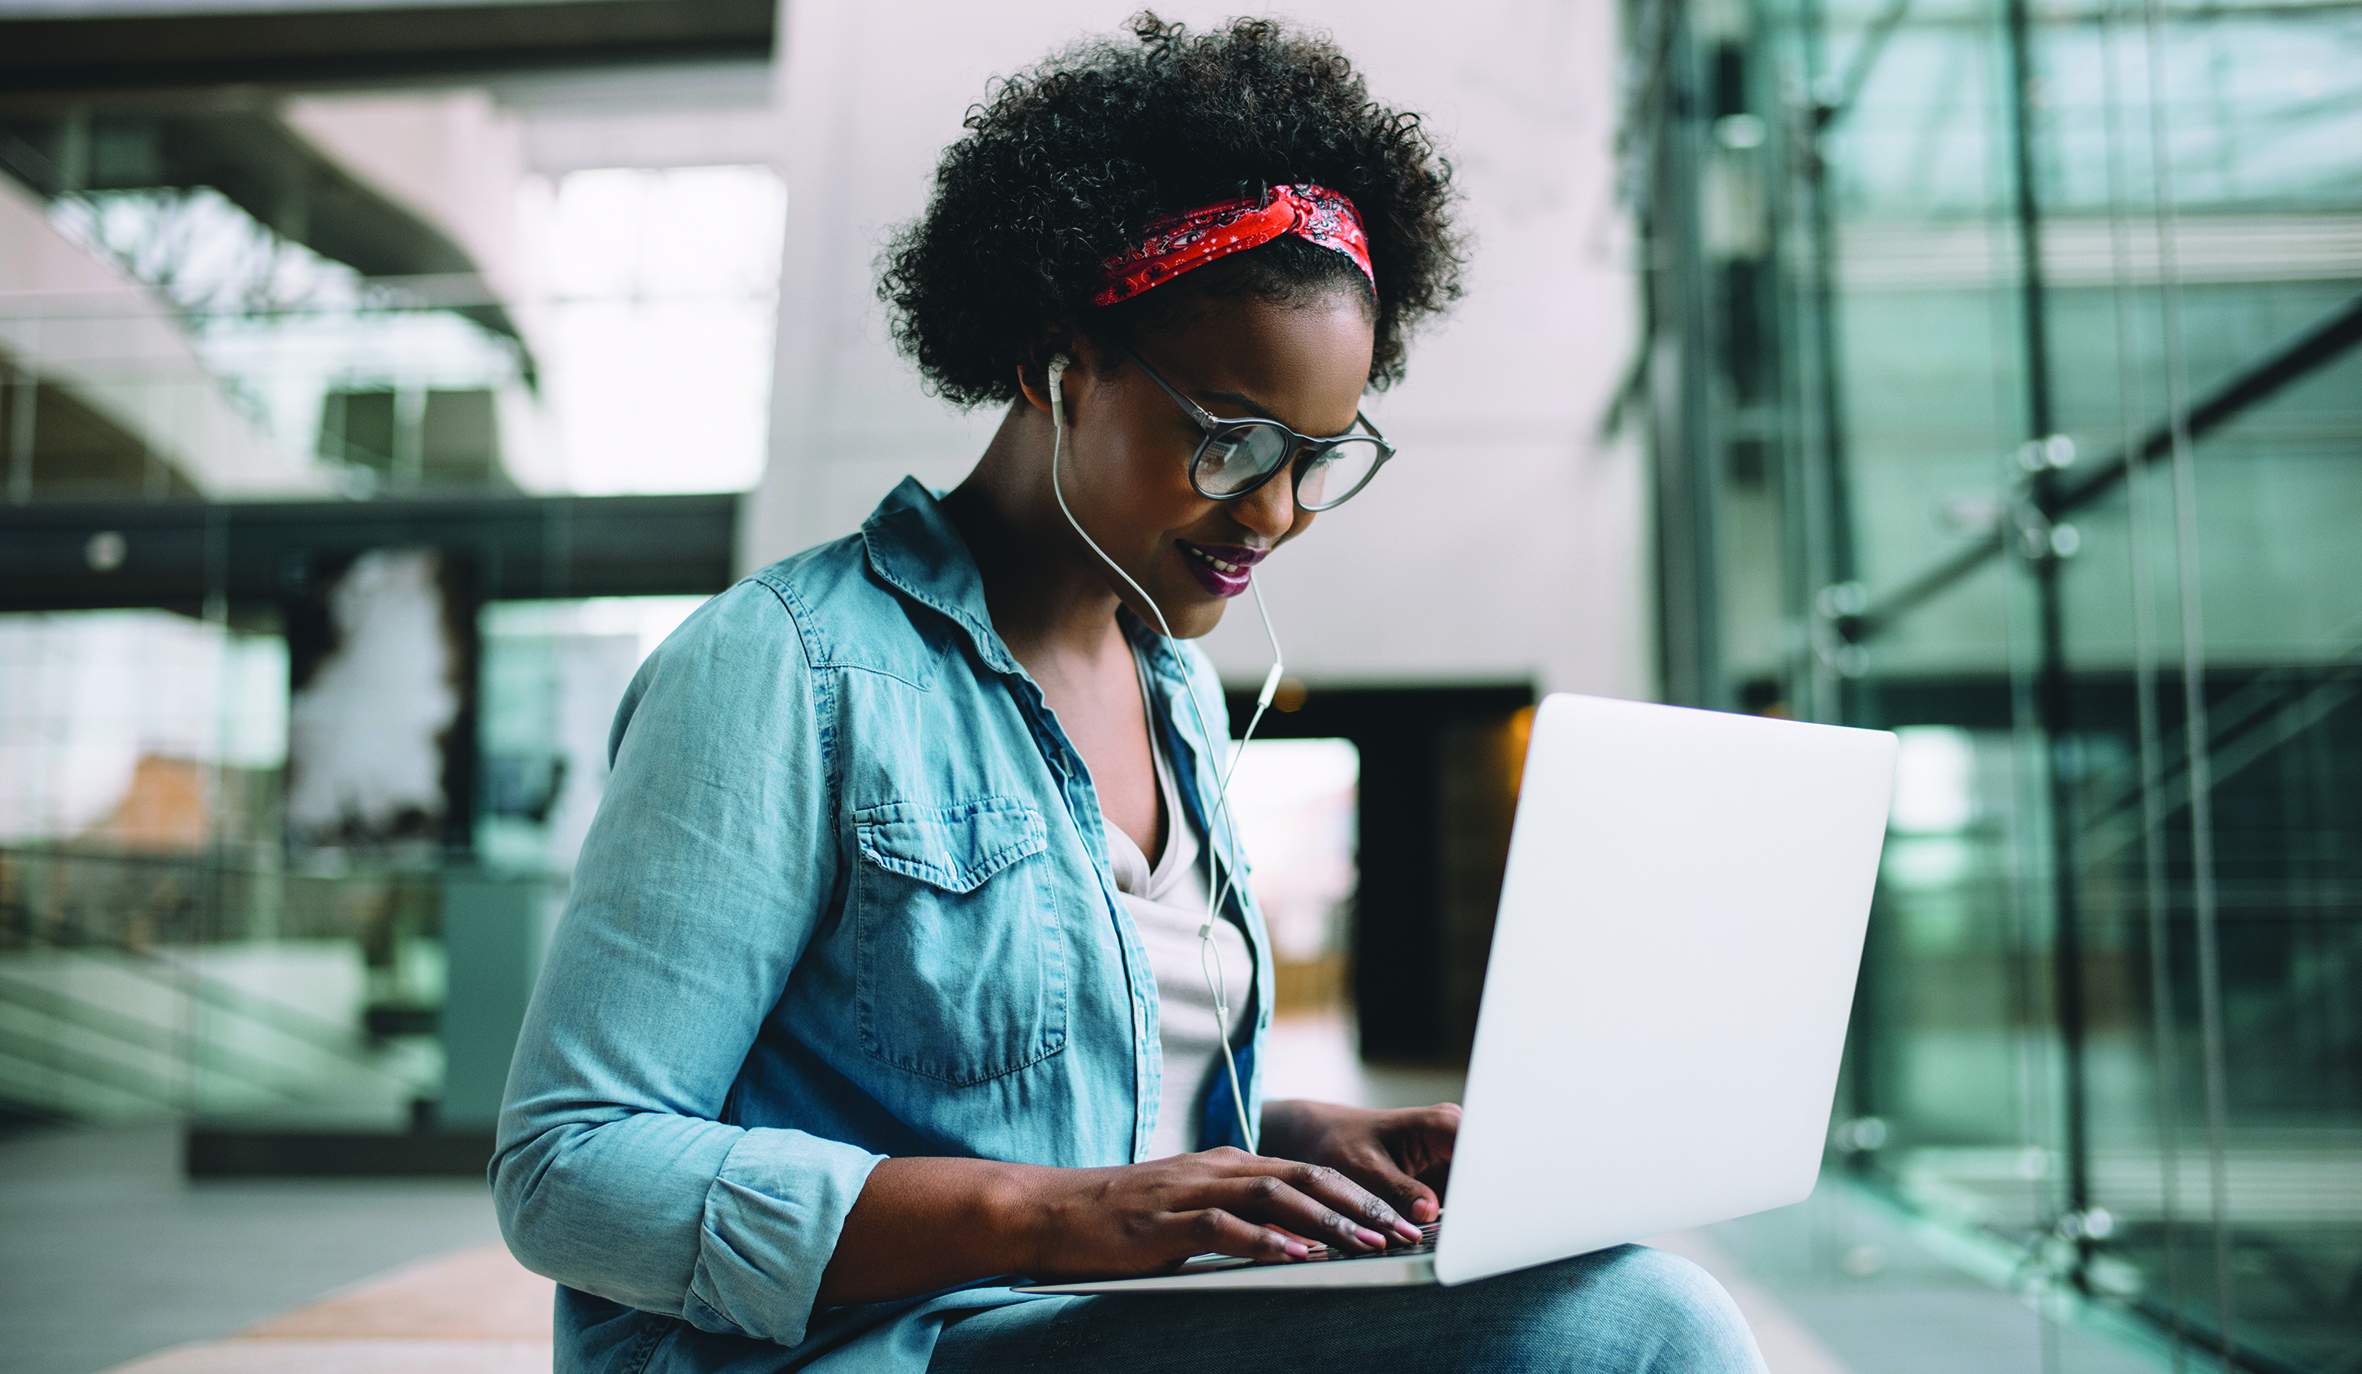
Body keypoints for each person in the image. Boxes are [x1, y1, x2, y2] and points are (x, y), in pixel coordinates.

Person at [492, 15, 1768, 1373]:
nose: (1274, 512)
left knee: (1606, 1286)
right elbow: (571, 1168)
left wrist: (1300, 1140)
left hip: (1090, 1330)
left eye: (1317, 458)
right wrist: (1040, 1217)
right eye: (1230, 439)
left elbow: (1073, 1104)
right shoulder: (783, 669)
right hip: (878, 1349)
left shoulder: (1175, 698)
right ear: (1059, 369)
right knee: (1636, 1329)